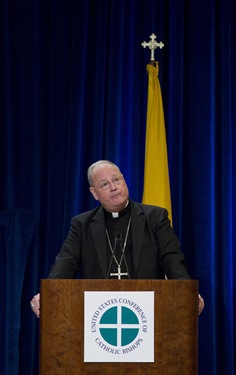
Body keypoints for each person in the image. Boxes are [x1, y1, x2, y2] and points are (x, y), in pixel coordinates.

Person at [30, 160, 204, 317]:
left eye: (116, 180)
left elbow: (172, 260)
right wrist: (48, 293)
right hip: (99, 316)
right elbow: (64, 264)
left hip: (148, 313)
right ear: (94, 193)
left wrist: (186, 291)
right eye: (104, 184)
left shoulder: (155, 217)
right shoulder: (82, 225)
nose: (113, 187)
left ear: (124, 181)